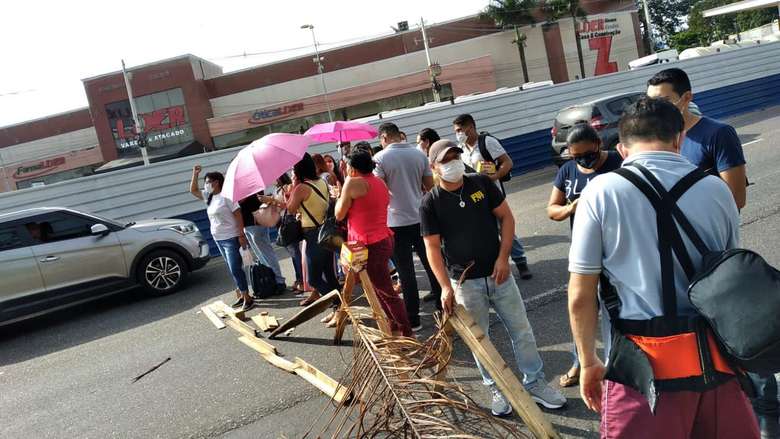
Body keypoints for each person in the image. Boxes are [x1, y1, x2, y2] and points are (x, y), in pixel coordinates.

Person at [568, 97, 757, 438]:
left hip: (641, 368)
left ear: (622, 149)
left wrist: (587, 361)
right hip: (714, 360)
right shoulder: (718, 189)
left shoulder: (601, 192)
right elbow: (732, 280)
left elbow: (581, 293)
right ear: (679, 139)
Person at [421, 139, 566, 416]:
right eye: (445, 160)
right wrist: (443, 287)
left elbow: (507, 219)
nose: (452, 163)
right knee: (481, 340)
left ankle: (535, 384)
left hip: (499, 275)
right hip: (464, 283)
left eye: (455, 156)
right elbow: (432, 248)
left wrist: (503, 258)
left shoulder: (480, 183)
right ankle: (497, 389)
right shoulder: (430, 203)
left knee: (521, 331)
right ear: (433, 167)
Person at [547, 123, 622, 387]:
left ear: (598, 144)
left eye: (587, 154)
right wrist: (573, 207)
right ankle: (581, 362)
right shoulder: (567, 171)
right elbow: (552, 210)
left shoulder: (617, 161)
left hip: (617, 251)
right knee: (582, 311)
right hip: (584, 253)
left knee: (616, 312)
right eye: (575, 155)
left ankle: (618, 368)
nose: (582, 160)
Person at [335, 149, 413, 336]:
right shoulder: (379, 182)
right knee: (378, 288)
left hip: (369, 244)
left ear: (352, 167)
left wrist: (343, 187)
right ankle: (394, 326)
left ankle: (406, 331)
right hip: (382, 238)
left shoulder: (353, 183)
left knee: (386, 291)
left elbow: (339, 214)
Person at [373, 122, 442, 330]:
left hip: (395, 222)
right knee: (432, 263)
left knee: (406, 271)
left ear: (384, 138)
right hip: (421, 216)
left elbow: (381, 192)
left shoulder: (380, 158)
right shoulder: (419, 154)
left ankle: (413, 319)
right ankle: (443, 306)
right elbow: (430, 187)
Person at [646, 68, 747, 210]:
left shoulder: (719, 134)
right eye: (651, 103)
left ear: (687, 98)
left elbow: (736, 199)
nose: (655, 109)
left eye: (663, 102)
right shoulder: (653, 140)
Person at [452, 114, 532, 280]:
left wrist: (494, 176)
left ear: (471, 127)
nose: (458, 134)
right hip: (474, 196)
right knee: (486, 231)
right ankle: (495, 266)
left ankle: (520, 261)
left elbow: (507, 162)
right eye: (456, 131)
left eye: (460, 130)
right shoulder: (462, 149)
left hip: (492, 194)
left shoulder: (487, 142)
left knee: (504, 227)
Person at [274, 153, 339, 306]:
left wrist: (294, 184)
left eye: (293, 169)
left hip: (313, 235)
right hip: (325, 232)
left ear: (299, 170)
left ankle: (338, 303)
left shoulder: (301, 187)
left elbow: (290, 208)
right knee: (329, 274)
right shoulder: (321, 182)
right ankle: (339, 310)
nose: (291, 171)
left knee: (314, 279)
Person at [189, 166, 253, 311]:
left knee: (235, 268)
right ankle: (242, 295)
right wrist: (195, 174)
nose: (206, 185)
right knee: (232, 268)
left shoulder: (227, 197)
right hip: (218, 238)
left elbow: (238, 214)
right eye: (205, 182)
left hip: (231, 238)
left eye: (208, 182)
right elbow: (193, 190)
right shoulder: (209, 197)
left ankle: (247, 297)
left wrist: (241, 235)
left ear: (217, 182)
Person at [239, 190, 286, 295]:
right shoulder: (238, 189)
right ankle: (271, 280)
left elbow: (258, 200)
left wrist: (243, 196)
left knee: (267, 254)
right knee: (261, 256)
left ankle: (279, 281)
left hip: (257, 224)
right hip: (247, 226)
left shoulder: (251, 187)